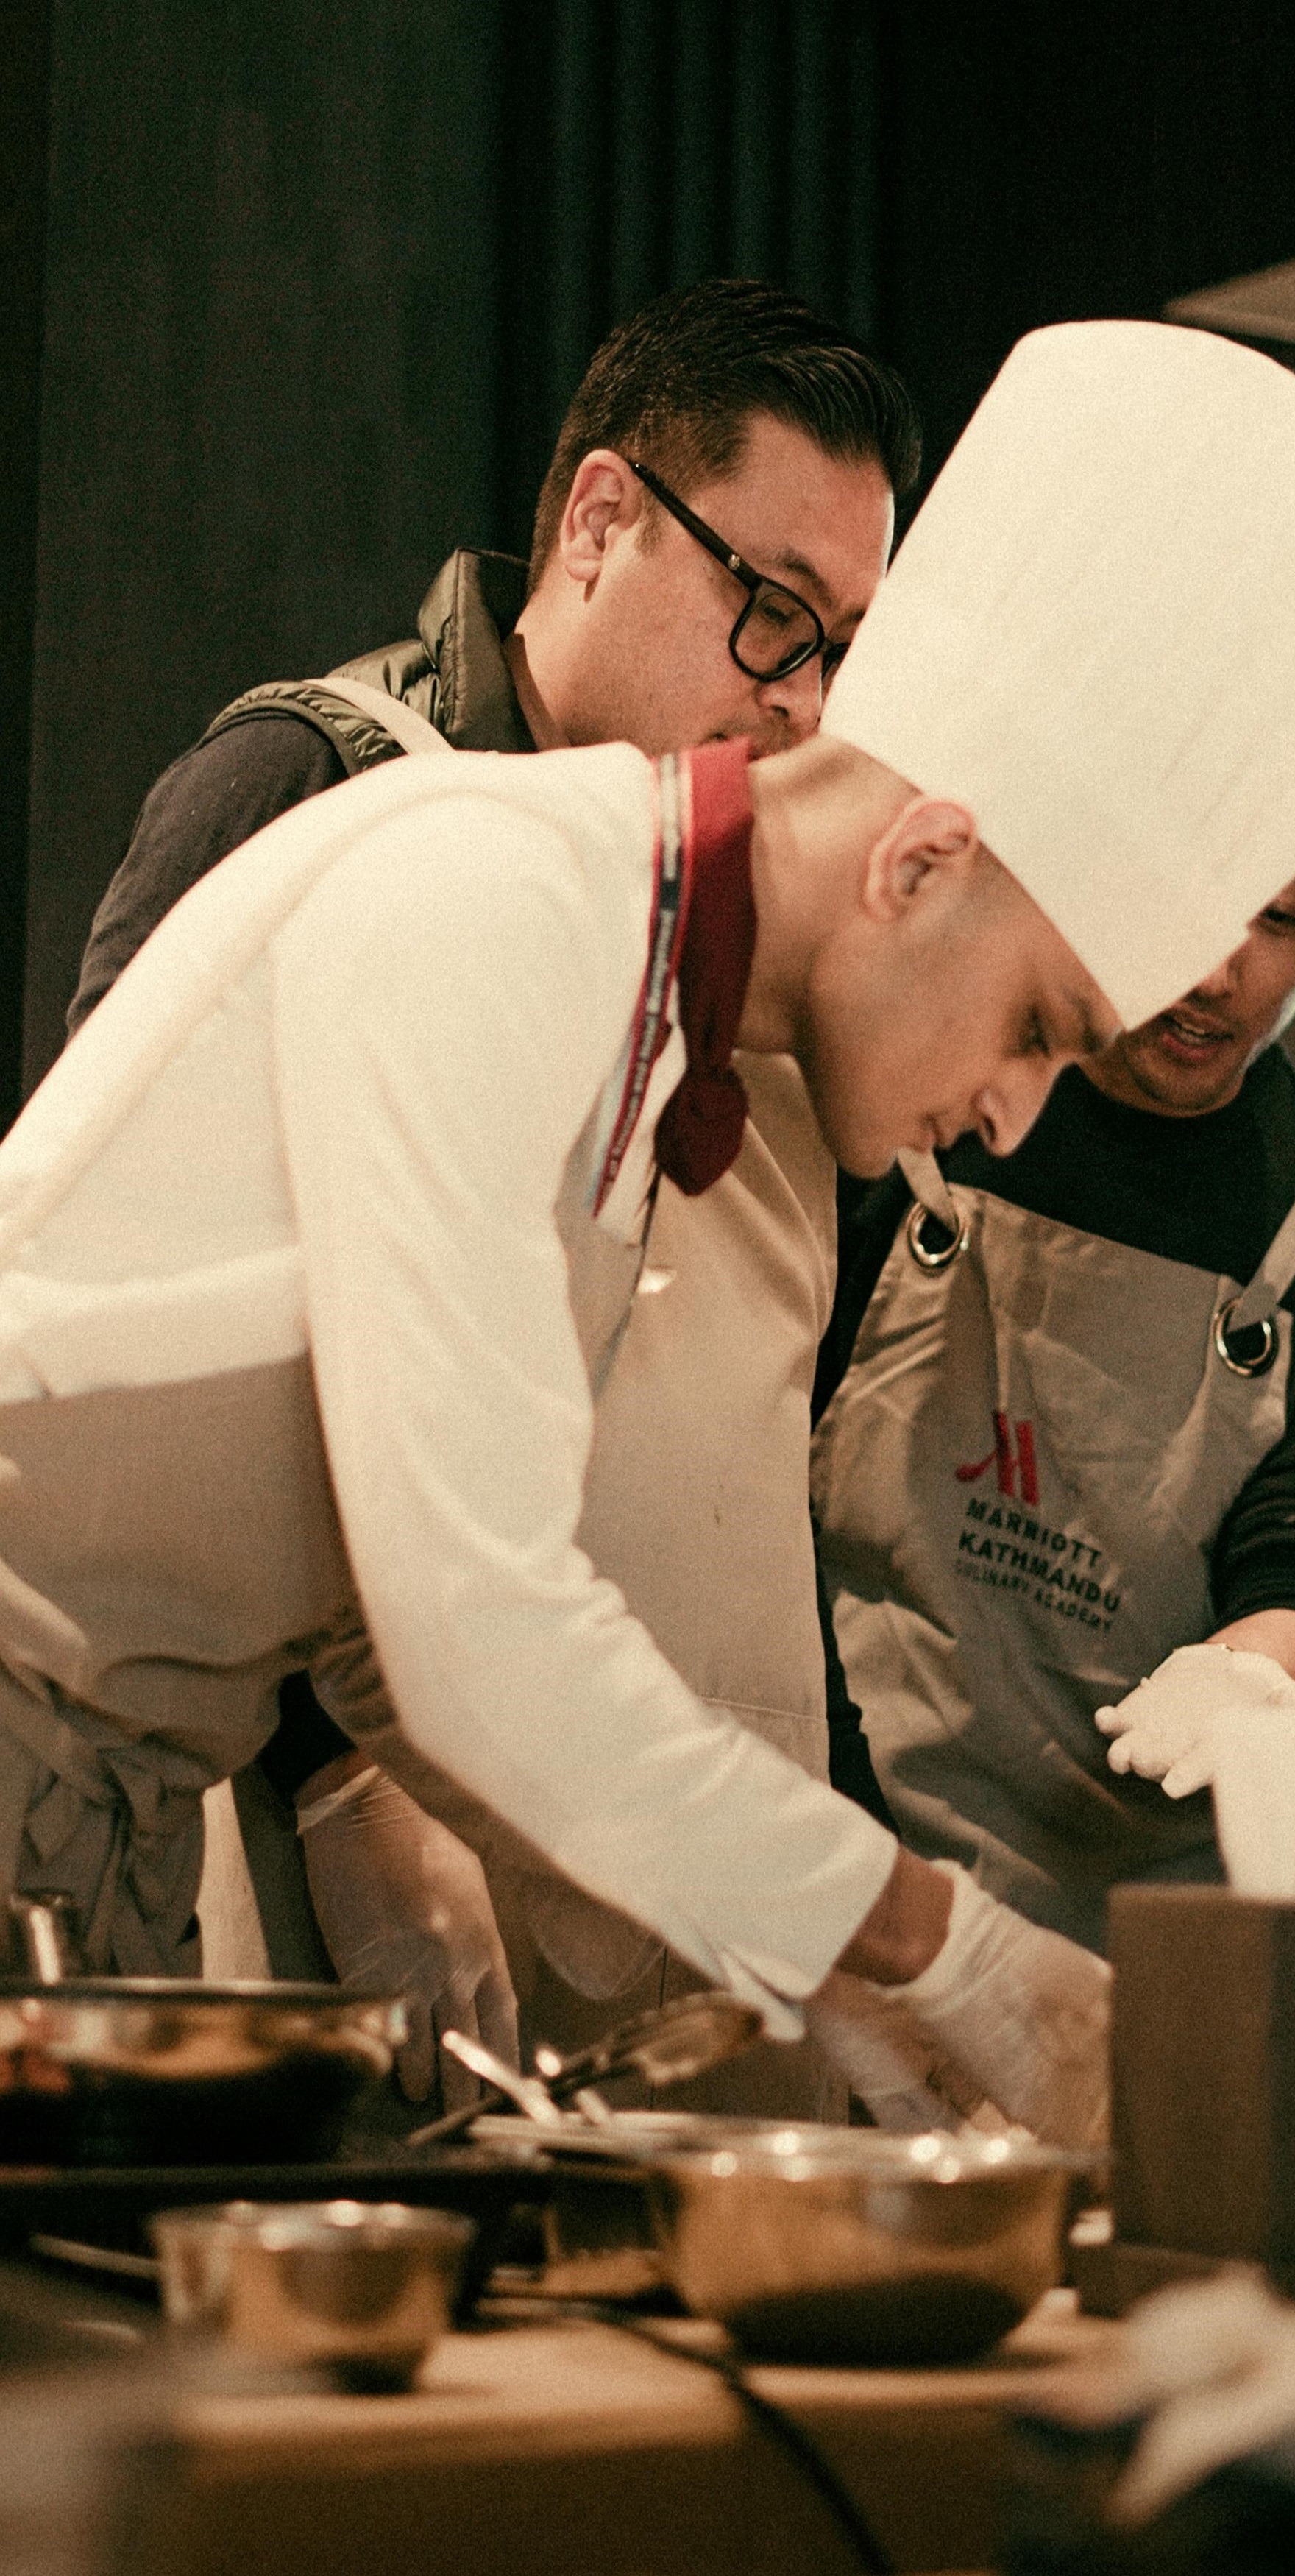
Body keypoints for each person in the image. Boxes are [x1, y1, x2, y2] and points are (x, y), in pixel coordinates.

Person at [0, 318, 1295, 2145]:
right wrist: (937, 1949)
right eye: (1034, 1031)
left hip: (86, 1814)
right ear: (921, 864)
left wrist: (788, 1976)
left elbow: (391, 1595)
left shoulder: (633, 989)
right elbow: (477, 1622)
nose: (1008, 1116)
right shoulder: (494, 899)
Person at [67, 278, 913, 2117]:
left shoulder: (735, 921)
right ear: (601, 520)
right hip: (309, 1796)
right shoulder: (326, 788)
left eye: (839, 649)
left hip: (622, 1803)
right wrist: (349, 1784)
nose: (799, 704)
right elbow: (166, 1359)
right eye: (769, 615)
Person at [812, 805, 1295, 1953]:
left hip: (1141, 1937)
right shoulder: (914, 1093)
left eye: (1280, 914)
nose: (1216, 972)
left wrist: (1252, 1678)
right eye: (1194, 893)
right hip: (841, 1859)